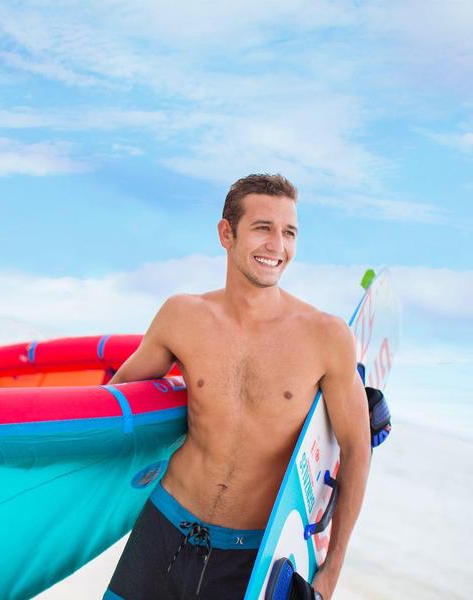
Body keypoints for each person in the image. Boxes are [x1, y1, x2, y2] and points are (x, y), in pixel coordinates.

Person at [104, 174, 370, 600]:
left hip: (250, 558)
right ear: (226, 233)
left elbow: (357, 448)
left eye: (289, 233)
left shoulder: (326, 337)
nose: (277, 246)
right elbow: (114, 405)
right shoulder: (182, 316)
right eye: (263, 228)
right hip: (162, 527)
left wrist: (332, 567)